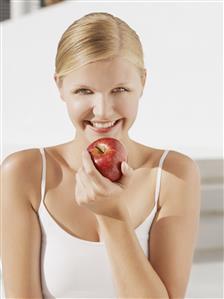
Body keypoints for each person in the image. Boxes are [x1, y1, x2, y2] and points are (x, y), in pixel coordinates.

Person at [1, 12, 201, 299]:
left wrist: (111, 215)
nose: (103, 110)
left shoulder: (173, 175)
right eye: (84, 90)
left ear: (143, 82)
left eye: (120, 89)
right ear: (60, 87)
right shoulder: (24, 173)